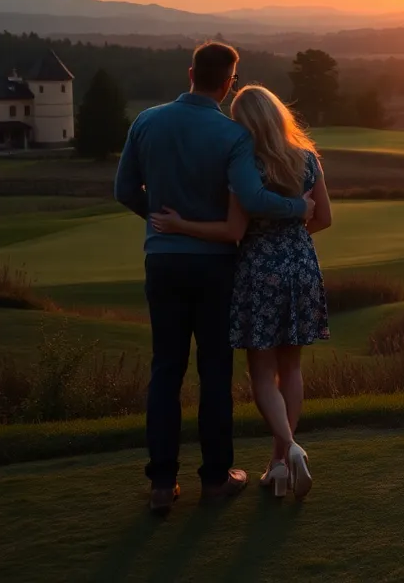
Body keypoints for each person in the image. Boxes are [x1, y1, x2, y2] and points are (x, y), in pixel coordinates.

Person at [115, 42, 314, 514]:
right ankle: (215, 479)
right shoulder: (232, 135)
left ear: (190, 73)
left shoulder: (146, 121)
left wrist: (160, 218)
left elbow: (124, 189)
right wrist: (297, 209)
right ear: (228, 83)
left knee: (165, 370)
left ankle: (162, 484)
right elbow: (252, 196)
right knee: (214, 372)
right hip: (215, 265)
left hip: (162, 260)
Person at [150, 84, 332, 502]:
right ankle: (278, 465)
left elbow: (233, 230)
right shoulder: (307, 159)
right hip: (302, 265)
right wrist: (293, 237)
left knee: (262, 372)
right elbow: (323, 218)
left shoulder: (245, 164)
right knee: (293, 368)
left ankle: (290, 450)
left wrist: (180, 225)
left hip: (258, 270)